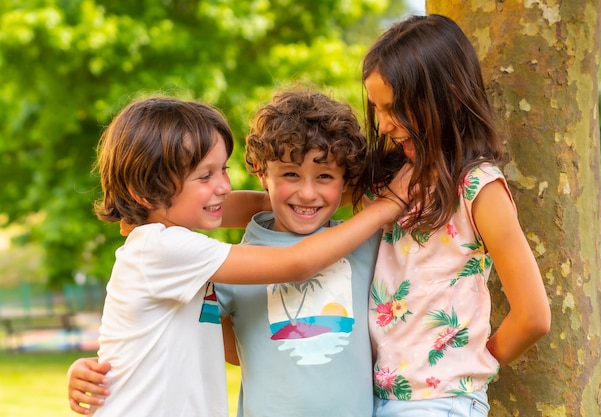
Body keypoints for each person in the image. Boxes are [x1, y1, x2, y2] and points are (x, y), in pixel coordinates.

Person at [67, 96, 408, 417]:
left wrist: (286, 197)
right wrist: (386, 206)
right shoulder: (161, 248)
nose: (225, 187)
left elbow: (227, 348)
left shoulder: (168, 247)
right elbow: (297, 263)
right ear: (146, 190)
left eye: (223, 170)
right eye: (205, 175)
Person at [354, 14, 551, 416]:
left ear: (450, 96)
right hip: (375, 396)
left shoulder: (478, 188)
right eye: (376, 108)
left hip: (442, 401)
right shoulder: (392, 178)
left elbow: (533, 316)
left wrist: (469, 365)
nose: (384, 124)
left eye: (395, 109)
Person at [216, 89, 377, 417]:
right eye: (291, 174)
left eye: (325, 176)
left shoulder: (364, 245)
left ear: (345, 181)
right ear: (262, 172)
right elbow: (192, 340)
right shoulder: (234, 265)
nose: (307, 193)